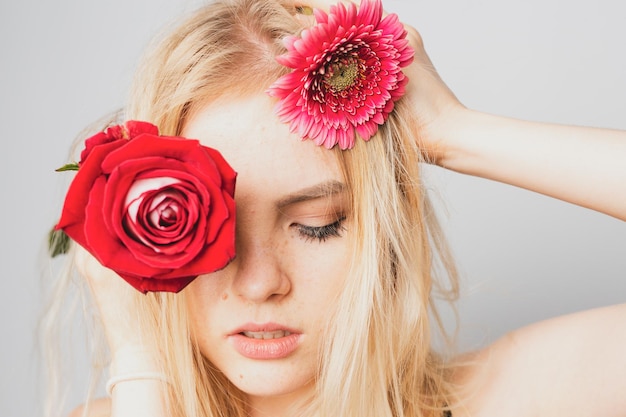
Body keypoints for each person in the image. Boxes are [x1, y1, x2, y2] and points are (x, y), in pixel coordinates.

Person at [44, 0, 626, 416]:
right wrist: (140, 357)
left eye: (316, 226)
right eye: (202, 229)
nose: (259, 284)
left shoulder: (510, 397)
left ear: (382, 227)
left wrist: (456, 133)